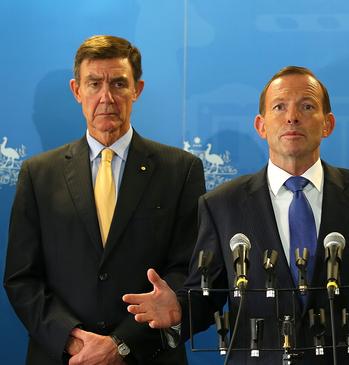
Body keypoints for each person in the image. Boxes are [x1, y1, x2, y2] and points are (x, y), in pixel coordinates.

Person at [123, 66, 349, 364]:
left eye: (307, 106)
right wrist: (179, 312)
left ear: (327, 124)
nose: (292, 117)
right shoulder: (220, 205)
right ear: (261, 125)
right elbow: (206, 296)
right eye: (279, 107)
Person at [3, 35, 206, 364]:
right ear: (76, 90)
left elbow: (188, 272)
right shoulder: (38, 174)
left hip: (148, 356)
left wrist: (122, 344)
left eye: (118, 84)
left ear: (137, 90)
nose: (106, 97)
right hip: (64, 356)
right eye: (94, 83)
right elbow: (21, 277)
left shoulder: (181, 171)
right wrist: (72, 339)